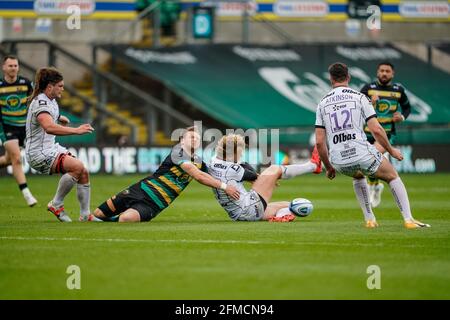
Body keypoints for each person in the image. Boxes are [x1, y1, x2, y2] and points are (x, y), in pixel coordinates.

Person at [315, 62, 429, 229]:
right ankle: (409, 220)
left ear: (331, 79)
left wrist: (329, 167)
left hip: (339, 160)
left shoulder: (322, 104)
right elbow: (376, 129)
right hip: (361, 152)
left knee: (358, 175)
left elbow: (319, 142)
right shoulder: (359, 97)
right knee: (392, 175)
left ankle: (370, 220)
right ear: (348, 77)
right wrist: (391, 150)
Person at [92, 127, 240, 223]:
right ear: (182, 141)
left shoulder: (200, 162)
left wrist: (248, 174)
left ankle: (111, 221)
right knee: (97, 213)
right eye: (191, 137)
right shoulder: (177, 152)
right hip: (140, 190)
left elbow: (218, 174)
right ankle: (100, 219)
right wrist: (225, 187)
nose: (195, 139)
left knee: (125, 219)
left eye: (198, 138)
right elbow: (199, 176)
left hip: (154, 204)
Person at [25, 67, 95, 222]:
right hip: (38, 153)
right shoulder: (41, 102)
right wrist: (76, 131)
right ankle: (56, 204)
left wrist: (59, 118)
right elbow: (48, 127)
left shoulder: (51, 101)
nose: (63, 88)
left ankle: (85, 215)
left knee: (83, 171)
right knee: (76, 166)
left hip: (50, 148)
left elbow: (49, 118)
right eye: (60, 86)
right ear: (50, 86)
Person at [208, 134, 322, 222]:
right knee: (274, 169)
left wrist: (263, 180)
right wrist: (267, 179)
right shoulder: (232, 169)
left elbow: (243, 164)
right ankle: (312, 166)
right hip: (249, 208)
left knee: (289, 205)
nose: (241, 154)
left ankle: (281, 216)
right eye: (240, 152)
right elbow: (251, 174)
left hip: (240, 213)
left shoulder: (213, 161)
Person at [360, 61, 411, 208]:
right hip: (367, 133)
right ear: (377, 72)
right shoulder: (368, 89)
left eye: (387, 71)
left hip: (387, 133)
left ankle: (372, 188)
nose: (384, 73)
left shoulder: (398, 90)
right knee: (369, 162)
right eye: (382, 70)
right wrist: (371, 103)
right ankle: (375, 186)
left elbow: (407, 108)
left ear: (392, 74)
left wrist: (401, 117)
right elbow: (357, 109)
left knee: (372, 156)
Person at [0, 55, 37, 206]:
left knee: (8, 160)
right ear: (4, 68)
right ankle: (27, 194)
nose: (13, 68)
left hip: (23, 127)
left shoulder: (26, 83)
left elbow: (36, 99)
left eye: (15, 65)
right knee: (16, 158)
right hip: (6, 127)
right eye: (10, 66)